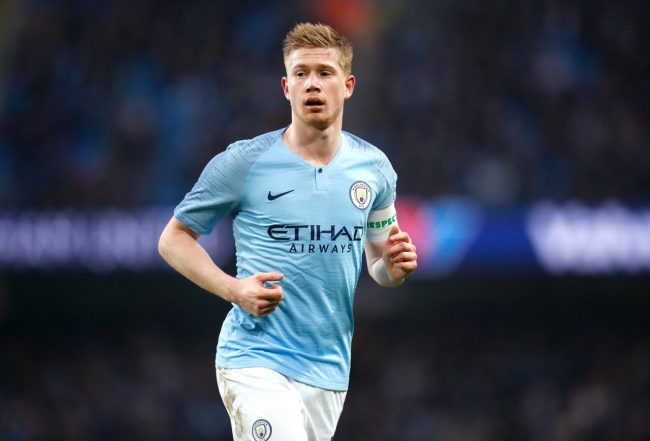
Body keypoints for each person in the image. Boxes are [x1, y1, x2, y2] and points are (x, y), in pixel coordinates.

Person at [158, 22, 417, 441]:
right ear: (286, 87)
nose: (312, 83)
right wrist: (234, 290)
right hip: (256, 360)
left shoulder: (374, 168)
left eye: (324, 72)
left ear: (348, 85)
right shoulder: (244, 163)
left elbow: (379, 264)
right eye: (301, 73)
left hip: (329, 370)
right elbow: (173, 239)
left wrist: (394, 268)